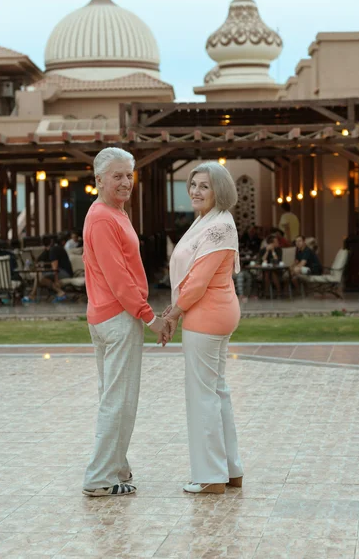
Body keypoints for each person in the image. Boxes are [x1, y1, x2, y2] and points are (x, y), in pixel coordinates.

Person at [82, 147, 169, 498]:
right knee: (119, 400)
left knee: (113, 397)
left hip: (109, 316)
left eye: (128, 175)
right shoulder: (104, 217)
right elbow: (118, 277)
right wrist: (150, 317)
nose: (125, 182)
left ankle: (115, 467)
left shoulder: (113, 212)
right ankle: (100, 477)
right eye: (116, 176)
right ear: (99, 179)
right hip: (117, 318)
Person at [163, 161, 243, 495]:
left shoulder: (218, 227)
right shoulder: (208, 221)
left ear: (219, 191)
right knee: (217, 392)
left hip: (206, 315)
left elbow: (196, 282)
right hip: (215, 313)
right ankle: (230, 470)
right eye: (193, 184)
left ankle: (210, 476)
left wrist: (174, 314)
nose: (196, 191)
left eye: (204, 186)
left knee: (203, 397)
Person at [21, 235, 71, 303]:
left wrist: (56, 281)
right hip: (61, 271)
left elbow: (55, 268)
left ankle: (33, 295)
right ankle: (33, 295)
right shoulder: (51, 249)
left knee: (39, 277)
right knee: (39, 277)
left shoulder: (54, 250)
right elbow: (38, 260)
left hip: (65, 273)